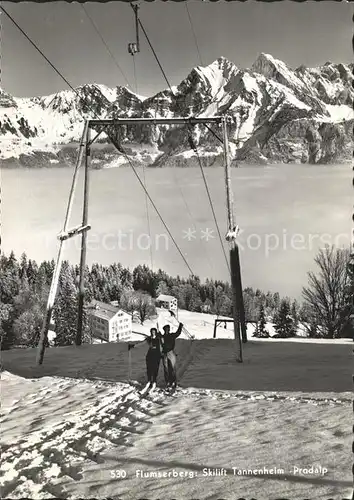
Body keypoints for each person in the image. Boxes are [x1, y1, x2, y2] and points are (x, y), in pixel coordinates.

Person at [160, 319, 184, 389]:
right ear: (164, 330)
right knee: (166, 368)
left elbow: (178, 333)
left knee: (172, 368)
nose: (167, 330)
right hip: (164, 354)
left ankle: (173, 381)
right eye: (166, 329)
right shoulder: (162, 337)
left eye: (168, 329)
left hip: (171, 353)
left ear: (169, 330)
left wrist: (180, 326)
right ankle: (168, 381)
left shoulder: (172, 335)